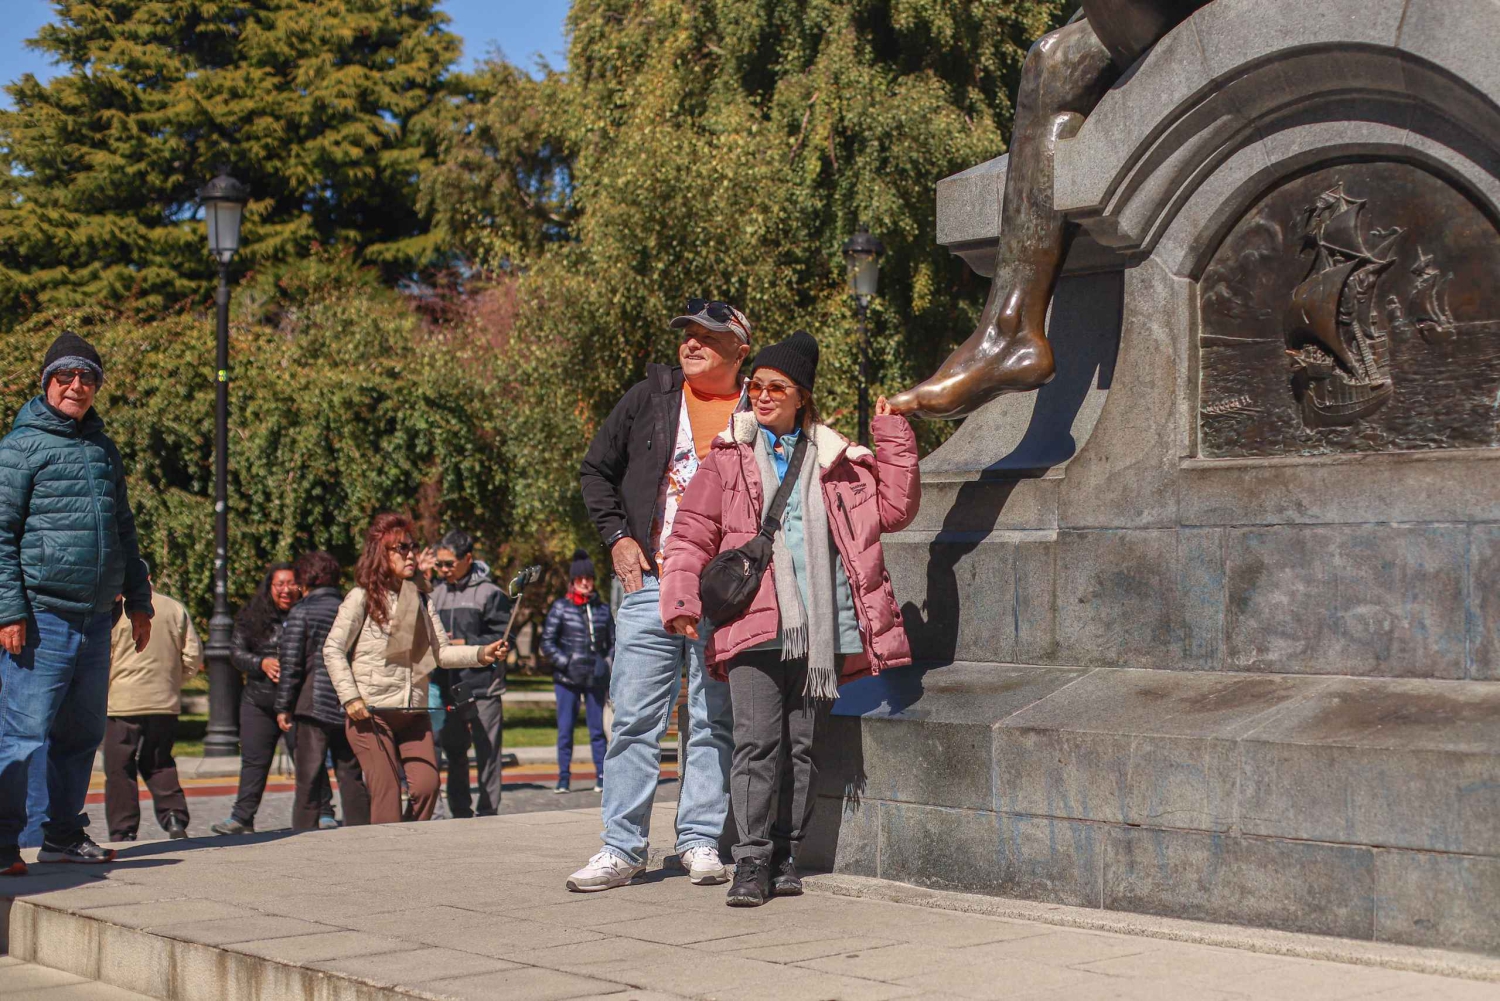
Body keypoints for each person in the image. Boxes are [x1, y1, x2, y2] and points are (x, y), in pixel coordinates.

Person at [661, 330, 921, 906]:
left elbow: (895, 510)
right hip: (751, 625)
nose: (762, 395)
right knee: (756, 744)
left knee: (801, 748)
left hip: (821, 630)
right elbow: (690, 533)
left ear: (802, 395)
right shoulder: (727, 458)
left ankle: (786, 856)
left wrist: (892, 433)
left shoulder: (838, 461)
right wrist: (680, 600)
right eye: (756, 385)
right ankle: (751, 861)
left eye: (777, 387)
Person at [570, 298, 752, 892]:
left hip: (724, 590)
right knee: (633, 720)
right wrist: (618, 538)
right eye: (687, 334)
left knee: (712, 717)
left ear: (739, 350)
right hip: (649, 582)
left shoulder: (757, 407)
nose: (691, 344)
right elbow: (595, 471)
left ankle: (699, 839)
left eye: (708, 336)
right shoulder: (650, 397)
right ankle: (621, 848)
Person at [0, 332, 153, 875]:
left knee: (82, 735)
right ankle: (2, 843)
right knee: (22, 736)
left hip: (95, 619)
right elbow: (1, 535)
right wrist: (9, 611)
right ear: (46, 382)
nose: (76, 385)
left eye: (87, 377)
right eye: (65, 376)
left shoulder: (102, 448)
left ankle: (63, 836)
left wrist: (139, 600)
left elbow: (123, 527)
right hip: (40, 617)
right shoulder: (19, 448)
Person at [322, 513, 507, 825]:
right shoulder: (362, 597)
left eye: (413, 546)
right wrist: (350, 698)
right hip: (372, 713)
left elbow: (441, 653)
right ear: (381, 554)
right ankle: (388, 849)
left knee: (427, 787)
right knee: (387, 794)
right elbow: (333, 648)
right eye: (402, 548)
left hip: (413, 711)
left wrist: (482, 653)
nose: (411, 554)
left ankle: (404, 840)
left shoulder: (420, 598)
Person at [103, 564, 202, 841]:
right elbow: (193, 655)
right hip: (164, 701)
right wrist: (173, 682)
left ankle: (123, 830)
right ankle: (174, 818)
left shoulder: (117, 609)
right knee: (159, 761)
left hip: (122, 702)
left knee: (119, 767)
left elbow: (104, 656)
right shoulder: (174, 608)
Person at [274, 551, 370, 831]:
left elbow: (291, 664)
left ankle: (304, 833)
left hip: (312, 702)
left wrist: (283, 706)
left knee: (308, 777)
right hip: (350, 699)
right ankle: (361, 831)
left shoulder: (302, 611)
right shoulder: (350, 608)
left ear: (305, 579)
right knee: (351, 773)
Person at [211, 563, 305, 835]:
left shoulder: (305, 614)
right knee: (254, 761)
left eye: (291, 583)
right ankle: (242, 817)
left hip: (297, 701)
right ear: (270, 587)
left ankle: (322, 812)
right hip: (258, 700)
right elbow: (236, 653)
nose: (286, 590)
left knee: (307, 760)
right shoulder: (251, 616)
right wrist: (261, 663)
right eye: (280, 584)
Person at [429, 529, 511, 817]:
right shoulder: (434, 594)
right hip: (447, 685)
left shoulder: (490, 593)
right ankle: (460, 809)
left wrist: (467, 643)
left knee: (487, 752)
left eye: (448, 564)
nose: (443, 570)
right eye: (439, 564)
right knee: (454, 750)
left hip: (483, 686)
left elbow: (503, 636)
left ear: (467, 559)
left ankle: (488, 810)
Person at [541, 549, 613, 795]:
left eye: (589, 578)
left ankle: (602, 776)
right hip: (567, 679)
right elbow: (547, 643)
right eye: (580, 578)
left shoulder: (602, 609)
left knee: (597, 730)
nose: (585, 582)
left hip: (594, 678)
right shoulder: (561, 608)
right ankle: (563, 778)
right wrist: (565, 662)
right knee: (565, 730)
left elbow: (613, 641)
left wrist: (606, 662)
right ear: (572, 581)